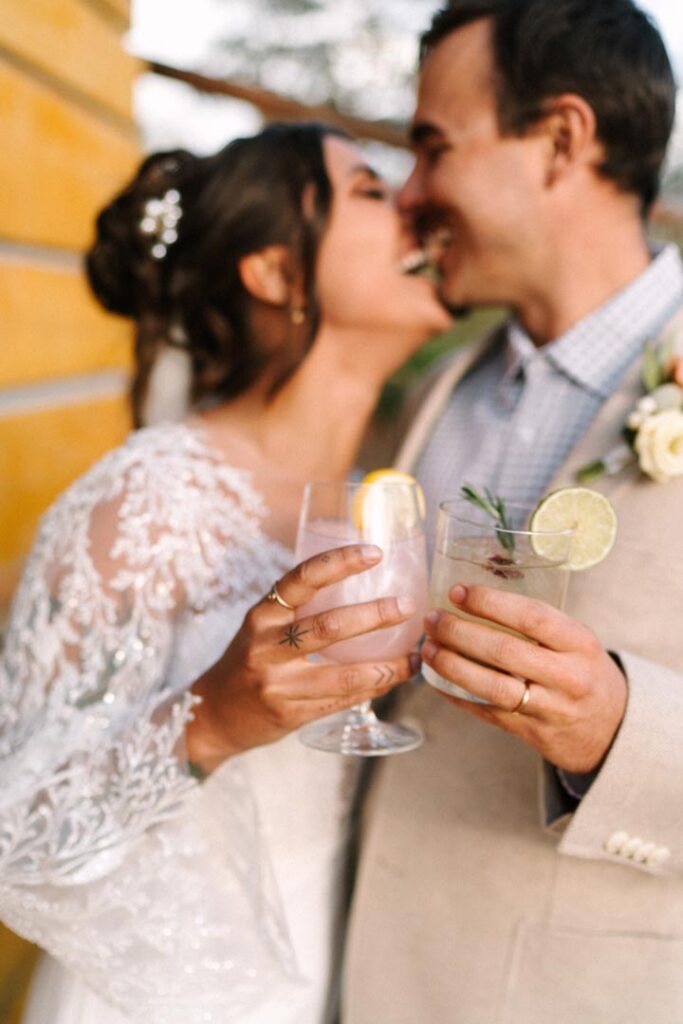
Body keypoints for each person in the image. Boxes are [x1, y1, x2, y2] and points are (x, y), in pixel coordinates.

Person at [0, 122, 450, 1024]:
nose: (414, 207)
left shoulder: (379, 501)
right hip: (155, 998)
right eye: (369, 190)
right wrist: (210, 722)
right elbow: (14, 835)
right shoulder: (139, 501)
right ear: (277, 274)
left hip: (324, 975)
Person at [342, 2, 683, 1022]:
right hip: (346, 972)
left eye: (432, 148)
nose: (411, 193)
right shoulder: (434, 390)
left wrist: (623, 731)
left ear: (560, 140)